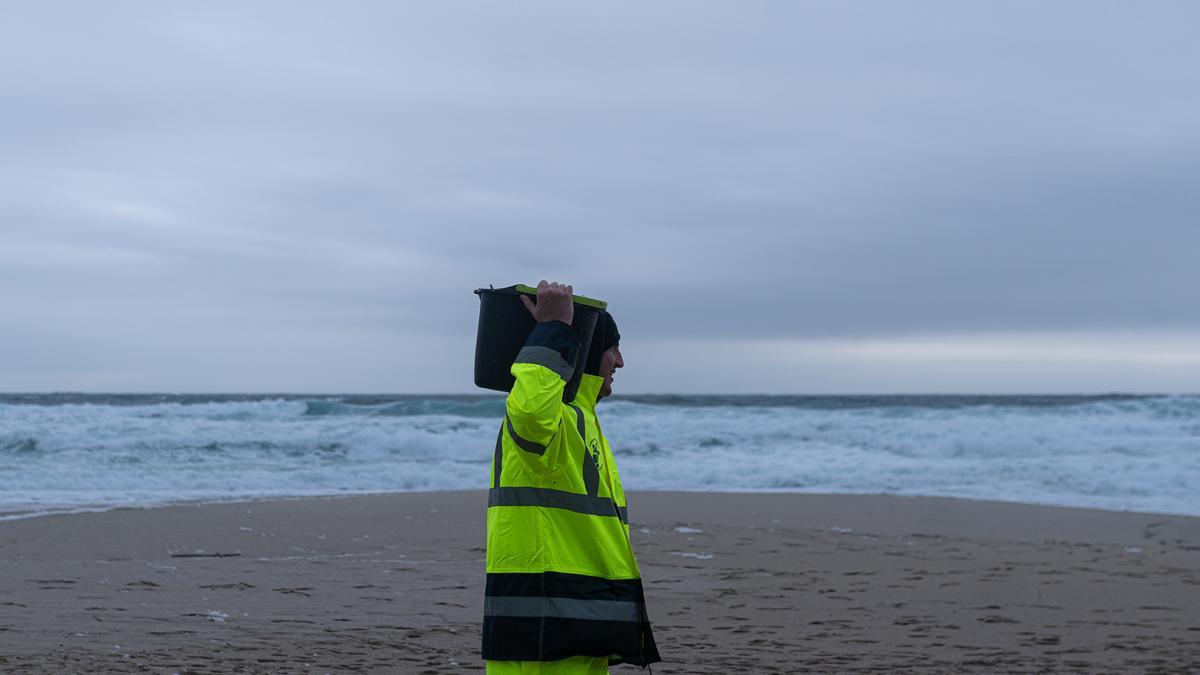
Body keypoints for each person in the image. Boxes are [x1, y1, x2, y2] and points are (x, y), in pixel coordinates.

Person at [483, 280, 661, 674]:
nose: (620, 360)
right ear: (588, 349)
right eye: (612, 347)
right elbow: (530, 412)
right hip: (545, 617)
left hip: (579, 613)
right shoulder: (554, 419)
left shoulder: (583, 417)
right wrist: (554, 329)